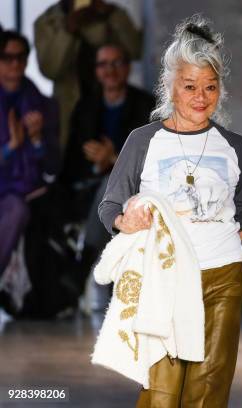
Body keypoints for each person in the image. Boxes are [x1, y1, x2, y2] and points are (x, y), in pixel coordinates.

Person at [98, 16, 242, 407]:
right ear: (170, 86)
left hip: (223, 279)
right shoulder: (144, 141)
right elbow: (110, 205)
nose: (201, 97)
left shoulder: (232, 146)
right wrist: (125, 221)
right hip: (165, 281)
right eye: (190, 87)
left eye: (210, 87)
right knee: (161, 395)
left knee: (208, 393)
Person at [60, 43, 154, 298]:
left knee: (112, 186)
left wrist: (113, 159)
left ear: (127, 68)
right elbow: (71, 161)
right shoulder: (85, 107)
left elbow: (152, 159)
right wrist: (96, 164)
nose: (110, 70)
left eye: (116, 63)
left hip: (135, 190)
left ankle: (85, 264)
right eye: (103, 64)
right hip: (88, 188)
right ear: (96, 71)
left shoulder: (145, 105)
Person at [0, 31, 60, 309]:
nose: (14, 65)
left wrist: (36, 141)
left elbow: (51, 168)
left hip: (26, 192)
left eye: (20, 58)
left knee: (17, 210)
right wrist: (11, 147)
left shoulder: (43, 105)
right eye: (7, 58)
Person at [34, 0, 142, 151]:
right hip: (69, 108)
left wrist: (112, 15)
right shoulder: (47, 22)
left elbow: (135, 50)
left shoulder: (108, 13)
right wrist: (68, 29)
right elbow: (50, 70)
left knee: (118, 157)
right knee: (74, 161)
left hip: (111, 105)